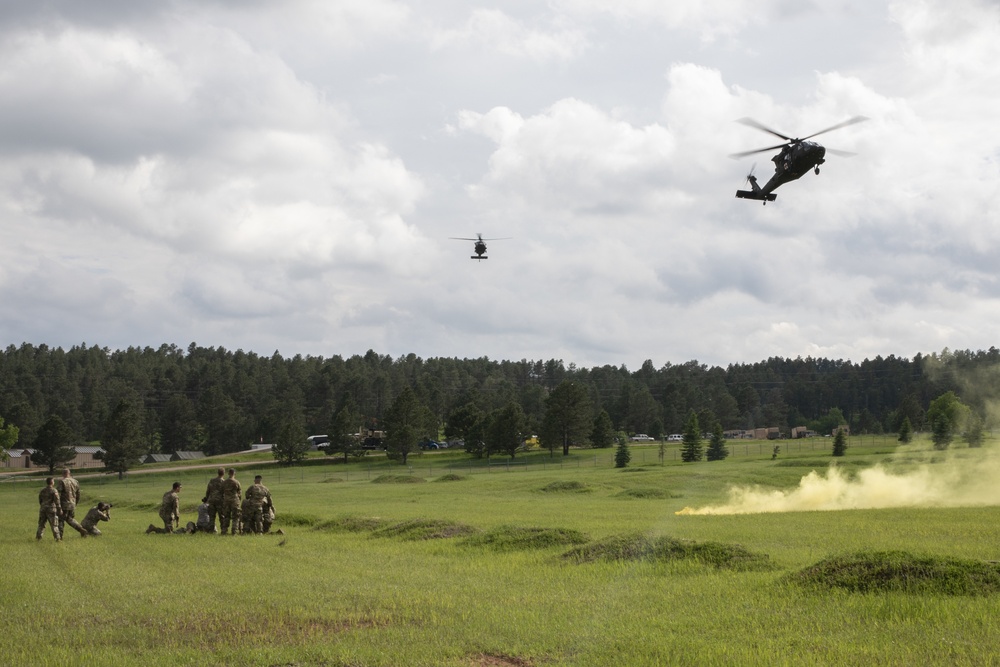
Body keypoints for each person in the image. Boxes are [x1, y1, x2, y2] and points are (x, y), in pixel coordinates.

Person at [57, 468, 87, 537]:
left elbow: (57, 493)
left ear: (63, 474)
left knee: (60, 520)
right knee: (69, 519)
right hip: (72, 504)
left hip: (64, 504)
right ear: (69, 473)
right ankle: (81, 529)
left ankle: (59, 537)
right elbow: (78, 494)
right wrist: (75, 503)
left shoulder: (62, 481)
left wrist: (57, 504)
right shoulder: (75, 481)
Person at [36, 477, 62, 541]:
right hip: (51, 509)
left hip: (43, 509)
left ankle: (38, 537)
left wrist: (43, 506)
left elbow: (40, 500)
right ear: (52, 482)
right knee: (54, 525)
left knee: (41, 524)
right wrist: (59, 509)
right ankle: (57, 538)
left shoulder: (42, 490)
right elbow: (57, 501)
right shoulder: (54, 490)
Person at [219, 468, 241, 535]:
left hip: (226, 501)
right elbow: (239, 493)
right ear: (234, 474)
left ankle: (224, 531)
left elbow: (221, 491)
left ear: (228, 473)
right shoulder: (236, 482)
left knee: (226, 517)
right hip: (235, 501)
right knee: (235, 517)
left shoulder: (224, 482)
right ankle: (234, 532)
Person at [204, 467, 225, 533]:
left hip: (212, 501)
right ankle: (223, 530)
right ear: (223, 473)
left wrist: (207, 499)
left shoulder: (212, 480)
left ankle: (211, 531)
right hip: (220, 501)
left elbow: (208, 491)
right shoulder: (223, 482)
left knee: (212, 517)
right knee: (221, 516)